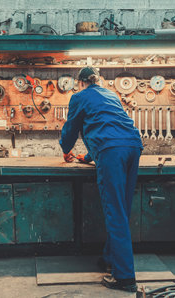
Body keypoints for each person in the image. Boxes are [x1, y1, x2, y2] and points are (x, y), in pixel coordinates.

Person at [59, 66, 143, 292]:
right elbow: (107, 127)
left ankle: (125, 277)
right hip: (133, 147)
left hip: (112, 152)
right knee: (122, 209)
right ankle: (110, 258)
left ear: (81, 82)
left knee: (114, 212)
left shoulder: (79, 97)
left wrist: (65, 150)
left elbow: (71, 129)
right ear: (97, 80)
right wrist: (87, 157)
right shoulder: (111, 94)